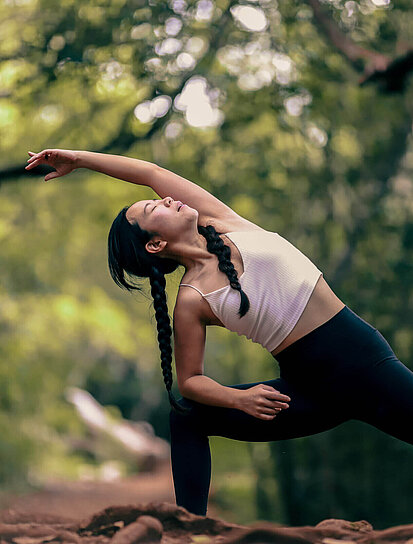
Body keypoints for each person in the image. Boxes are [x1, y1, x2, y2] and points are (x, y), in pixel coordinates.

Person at [26, 148, 413, 517]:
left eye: (157, 199)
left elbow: (150, 174)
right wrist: (236, 399)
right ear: (156, 243)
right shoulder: (192, 300)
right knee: (188, 417)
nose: (165, 199)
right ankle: (191, 527)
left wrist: (79, 159)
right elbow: (190, 380)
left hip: (365, 367)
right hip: (308, 392)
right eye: (153, 207)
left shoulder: (221, 221)